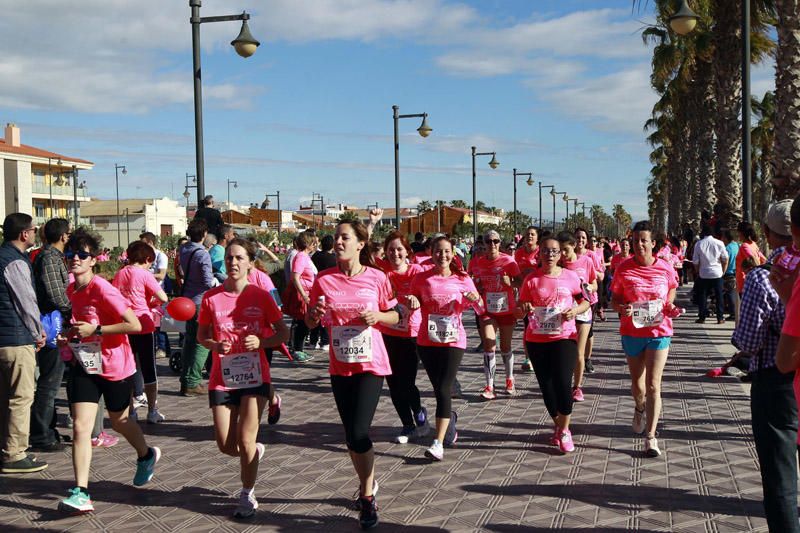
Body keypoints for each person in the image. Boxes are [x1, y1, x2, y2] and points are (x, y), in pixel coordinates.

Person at [305, 220, 399, 530]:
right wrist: (314, 316)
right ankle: (366, 484)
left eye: (345, 237)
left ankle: (367, 494)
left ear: (361, 243)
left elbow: (398, 315)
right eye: (335, 238)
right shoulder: (324, 279)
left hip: (371, 363)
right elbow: (308, 321)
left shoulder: (377, 277)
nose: (338, 242)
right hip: (340, 363)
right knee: (350, 435)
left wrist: (379, 316)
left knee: (359, 432)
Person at [58, 229, 160, 513]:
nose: (74, 259)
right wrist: (68, 336)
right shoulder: (71, 290)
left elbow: (135, 325)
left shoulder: (104, 288)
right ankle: (81, 491)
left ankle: (146, 454)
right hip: (85, 364)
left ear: (94, 260)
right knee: (81, 427)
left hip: (115, 365)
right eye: (70, 254)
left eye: (82, 255)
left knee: (119, 421)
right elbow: (79, 327)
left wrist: (97, 329)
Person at [197, 238, 289, 518]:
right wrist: (214, 345)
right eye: (229, 258)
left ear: (250, 262)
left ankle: (247, 493)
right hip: (222, 378)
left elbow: (283, 333)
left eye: (239, 258)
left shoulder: (260, 296)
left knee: (246, 440)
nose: (233, 263)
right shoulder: (211, 298)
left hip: (254, 376)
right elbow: (202, 336)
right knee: (226, 445)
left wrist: (261, 342)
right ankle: (253, 456)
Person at [732, 199, 798, 532]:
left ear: (770, 235)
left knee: (780, 474)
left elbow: (748, 341)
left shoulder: (764, 278)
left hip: (776, 381)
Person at [515, 234, 590, 453]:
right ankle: (559, 426)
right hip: (537, 340)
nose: (550, 255)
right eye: (545, 251)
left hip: (564, 338)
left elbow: (585, 301)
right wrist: (525, 308)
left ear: (560, 255)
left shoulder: (571, 277)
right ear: (539, 253)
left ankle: (565, 431)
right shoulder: (532, 279)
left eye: (554, 251)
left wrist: (574, 311)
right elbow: (519, 309)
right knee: (547, 389)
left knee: (562, 385)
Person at [611, 220, 679, 458]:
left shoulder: (665, 267)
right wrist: (622, 308)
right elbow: (614, 299)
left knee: (653, 385)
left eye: (644, 240)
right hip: (632, 332)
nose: (639, 244)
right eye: (635, 240)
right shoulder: (623, 268)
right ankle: (639, 407)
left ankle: (651, 437)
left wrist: (669, 303)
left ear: (653, 243)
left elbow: (672, 287)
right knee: (638, 386)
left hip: (659, 331)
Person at [410, 235, 480, 460]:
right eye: (438, 251)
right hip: (427, 340)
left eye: (447, 251)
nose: (443, 255)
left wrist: (474, 297)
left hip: (453, 340)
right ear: (432, 253)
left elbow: (478, 304)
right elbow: (412, 297)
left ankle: (437, 443)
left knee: (443, 389)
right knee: (440, 388)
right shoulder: (422, 278)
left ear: (453, 253)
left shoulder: (462, 278)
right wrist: (412, 300)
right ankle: (451, 422)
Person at [0, 213, 47, 474]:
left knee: (3, 397)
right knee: (20, 397)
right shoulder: (15, 262)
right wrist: (38, 331)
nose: (34, 234)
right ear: (24, 234)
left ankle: (4, 447)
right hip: (16, 338)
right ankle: (15, 453)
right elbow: (25, 301)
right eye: (33, 230)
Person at [378, 232, 429, 444]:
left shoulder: (418, 271)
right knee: (392, 383)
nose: (395, 253)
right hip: (387, 332)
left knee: (407, 382)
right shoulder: (382, 272)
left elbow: (428, 293)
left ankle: (418, 410)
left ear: (407, 251)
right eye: (391, 249)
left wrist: (417, 299)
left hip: (411, 333)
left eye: (399, 249)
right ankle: (407, 424)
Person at [112, 241, 169, 423]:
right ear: (146, 259)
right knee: (148, 369)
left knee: (127, 369)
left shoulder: (120, 274)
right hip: (144, 325)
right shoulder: (145, 274)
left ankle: (131, 412)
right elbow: (163, 297)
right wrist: (150, 301)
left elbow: (114, 297)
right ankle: (152, 411)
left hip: (125, 326)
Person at [29, 217, 71, 452]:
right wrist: (71, 310)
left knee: (51, 380)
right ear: (64, 236)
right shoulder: (50, 258)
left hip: (51, 320)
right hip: (50, 323)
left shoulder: (49, 256)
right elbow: (55, 293)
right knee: (49, 381)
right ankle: (41, 433)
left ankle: (48, 429)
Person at [468, 229, 522, 399]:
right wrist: (476, 288)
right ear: (483, 244)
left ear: (500, 243)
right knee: (489, 346)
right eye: (488, 241)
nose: (492, 244)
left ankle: (509, 380)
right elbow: (471, 282)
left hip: (506, 310)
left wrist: (511, 282)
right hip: (487, 310)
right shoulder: (477, 262)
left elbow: (520, 282)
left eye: (496, 241)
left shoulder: (508, 261)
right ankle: (489, 386)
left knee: (505, 347)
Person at [558, 231, 597, 403]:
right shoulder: (558, 264)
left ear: (574, 246)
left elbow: (595, 282)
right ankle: (563, 384)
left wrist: (590, 286)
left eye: (565, 250)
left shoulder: (586, 261)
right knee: (564, 352)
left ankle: (577, 387)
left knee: (578, 353)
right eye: (560, 250)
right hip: (564, 312)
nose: (563, 255)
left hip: (583, 309)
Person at [179, 219, 215, 396]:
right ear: (204, 234)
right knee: (202, 342)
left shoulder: (184, 249)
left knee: (190, 340)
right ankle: (193, 382)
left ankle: (185, 380)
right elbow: (208, 282)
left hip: (187, 301)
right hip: (200, 300)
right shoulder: (202, 254)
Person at [514, 226, 540, 373]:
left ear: (537, 238)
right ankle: (528, 358)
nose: (529, 236)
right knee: (528, 326)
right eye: (527, 234)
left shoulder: (541, 252)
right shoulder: (519, 253)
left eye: (532, 234)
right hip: (525, 294)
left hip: (541, 294)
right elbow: (516, 274)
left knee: (539, 325)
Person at [288, 231, 317, 363]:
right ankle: (296, 349)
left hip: (308, 292)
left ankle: (299, 348)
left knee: (305, 322)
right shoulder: (300, 257)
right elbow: (295, 276)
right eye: (313, 243)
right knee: (301, 322)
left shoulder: (305, 256)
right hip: (302, 293)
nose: (315, 245)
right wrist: (304, 295)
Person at [691, 225, 729, 324]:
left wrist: (698, 271)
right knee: (719, 295)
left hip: (704, 273)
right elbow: (725, 258)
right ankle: (720, 318)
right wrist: (723, 271)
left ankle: (702, 317)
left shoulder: (699, 244)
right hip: (717, 273)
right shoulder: (719, 243)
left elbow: (695, 261)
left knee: (702, 295)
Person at [721, 229, 740, 321]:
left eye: (723, 237)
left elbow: (725, 260)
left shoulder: (727, 248)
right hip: (736, 271)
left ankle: (733, 313)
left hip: (728, 272)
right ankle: (733, 311)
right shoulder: (737, 246)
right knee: (733, 292)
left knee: (730, 293)